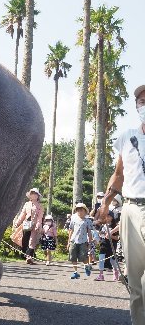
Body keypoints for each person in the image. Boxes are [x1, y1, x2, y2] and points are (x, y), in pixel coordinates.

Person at [98, 85, 145, 325]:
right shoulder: (127, 136)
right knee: (135, 280)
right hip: (129, 209)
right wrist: (106, 203)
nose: (144, 105)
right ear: (137, 107)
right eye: (141, 101)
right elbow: (118, 174)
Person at [14, 188, 44, 264]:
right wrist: (17, 222)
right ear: (30, 195)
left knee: (32, 241)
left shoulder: (40, 206)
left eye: (35, 194)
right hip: (26, 224)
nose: (34, 195)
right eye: (32, 193)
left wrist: (38, 224)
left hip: (35, 225)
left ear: (38, 196)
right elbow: (22, 214)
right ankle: (24, 254)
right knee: (25, 240)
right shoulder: (27, 204)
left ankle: (29, 257)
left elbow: (40, 217)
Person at [67, 202, 93, 279]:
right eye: (78, 210)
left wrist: (90, 242)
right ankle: (75, 272)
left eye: (81, 210)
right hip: (73, 240)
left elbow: (89, 232)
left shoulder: (88, 221)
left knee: (83, 257)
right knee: (73, 256)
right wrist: (68, 242)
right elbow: (71, 230)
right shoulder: (73, 219)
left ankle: (86, 267)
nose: (79, 212)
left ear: (85, 211)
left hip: (83, 241)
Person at [94, 211, 119, 281]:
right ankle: (101, 274)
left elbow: (117, 238)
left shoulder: (115, 227)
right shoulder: (103, 226)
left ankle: (116, 271)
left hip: (112, 245)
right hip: (103, 244)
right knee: (101, 259)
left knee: (112, 261)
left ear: (112, 217)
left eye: (109, 216)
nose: (107, 218)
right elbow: (100, 235)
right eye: (105, 216)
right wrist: (99, 236)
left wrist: (110, 235)